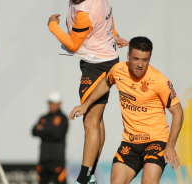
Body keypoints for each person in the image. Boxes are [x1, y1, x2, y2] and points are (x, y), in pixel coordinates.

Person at [69, 36, 184, 184]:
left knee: (148, 181)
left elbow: (178, 112)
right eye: (136, 59)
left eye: (145, 60)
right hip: (130, 142)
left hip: (156, 141)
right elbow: (105, 83)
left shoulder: (159, 80)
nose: (140, 64)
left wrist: (170, 146)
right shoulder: (118, 70)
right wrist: (86, 105)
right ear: (128, 56)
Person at [48, 0, 128, 183]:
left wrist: (52, 25)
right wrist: (112, 34)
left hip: (96, 66)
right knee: (97, 119)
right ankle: (90, 172)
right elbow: (108, 14)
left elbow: (73, 45)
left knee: (90, 121)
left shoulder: (85, 13)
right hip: (106, 59)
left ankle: (84, 178)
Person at [32, 91, 69, 184]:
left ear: (59, 104)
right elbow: (33, 131)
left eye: (54, 103)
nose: (52, 106)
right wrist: (49, 130)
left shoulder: (63, 118)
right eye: (50, 103)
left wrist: (43, 130)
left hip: (58, 161)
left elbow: (58, 134)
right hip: (44, 160)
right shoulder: (44, 117)